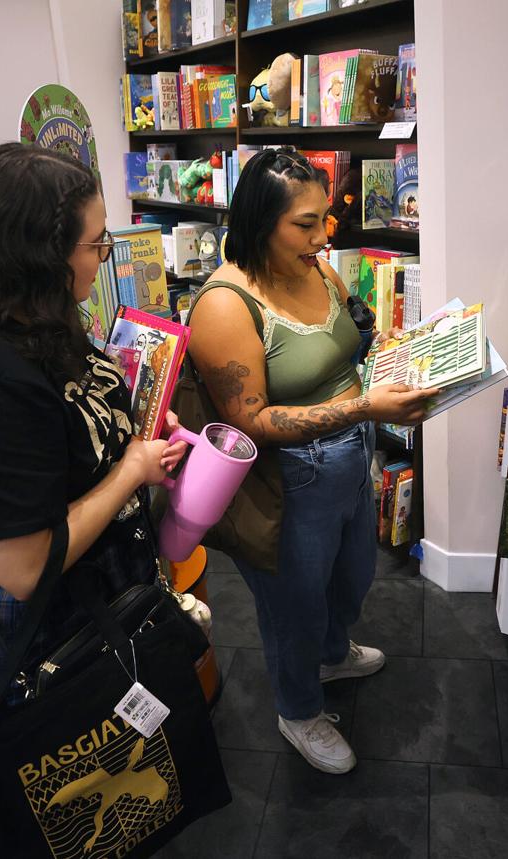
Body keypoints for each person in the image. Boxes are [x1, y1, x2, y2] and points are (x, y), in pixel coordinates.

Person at [0, 143, 186, 724]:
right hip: (55, 635)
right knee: (84, 783)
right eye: (95, 244)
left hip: (107, 597)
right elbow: (24, 571)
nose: (103, 257)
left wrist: (132, 425)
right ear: (39, 254)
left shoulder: (30, 313)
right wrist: (131, 471)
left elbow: (68, 418)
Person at [187, 147, 437, 774]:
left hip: (352, 461)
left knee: (351, 577)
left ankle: (331, 653)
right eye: (306, 224)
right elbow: (253, 423)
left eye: (326, 219)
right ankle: (298, 710)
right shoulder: (226, 304)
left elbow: (355, 340)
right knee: (291, 607)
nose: (324, 237)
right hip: (290, 479)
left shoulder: (318, 272)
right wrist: (364, 410)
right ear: (259, 220)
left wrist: (415, 352)